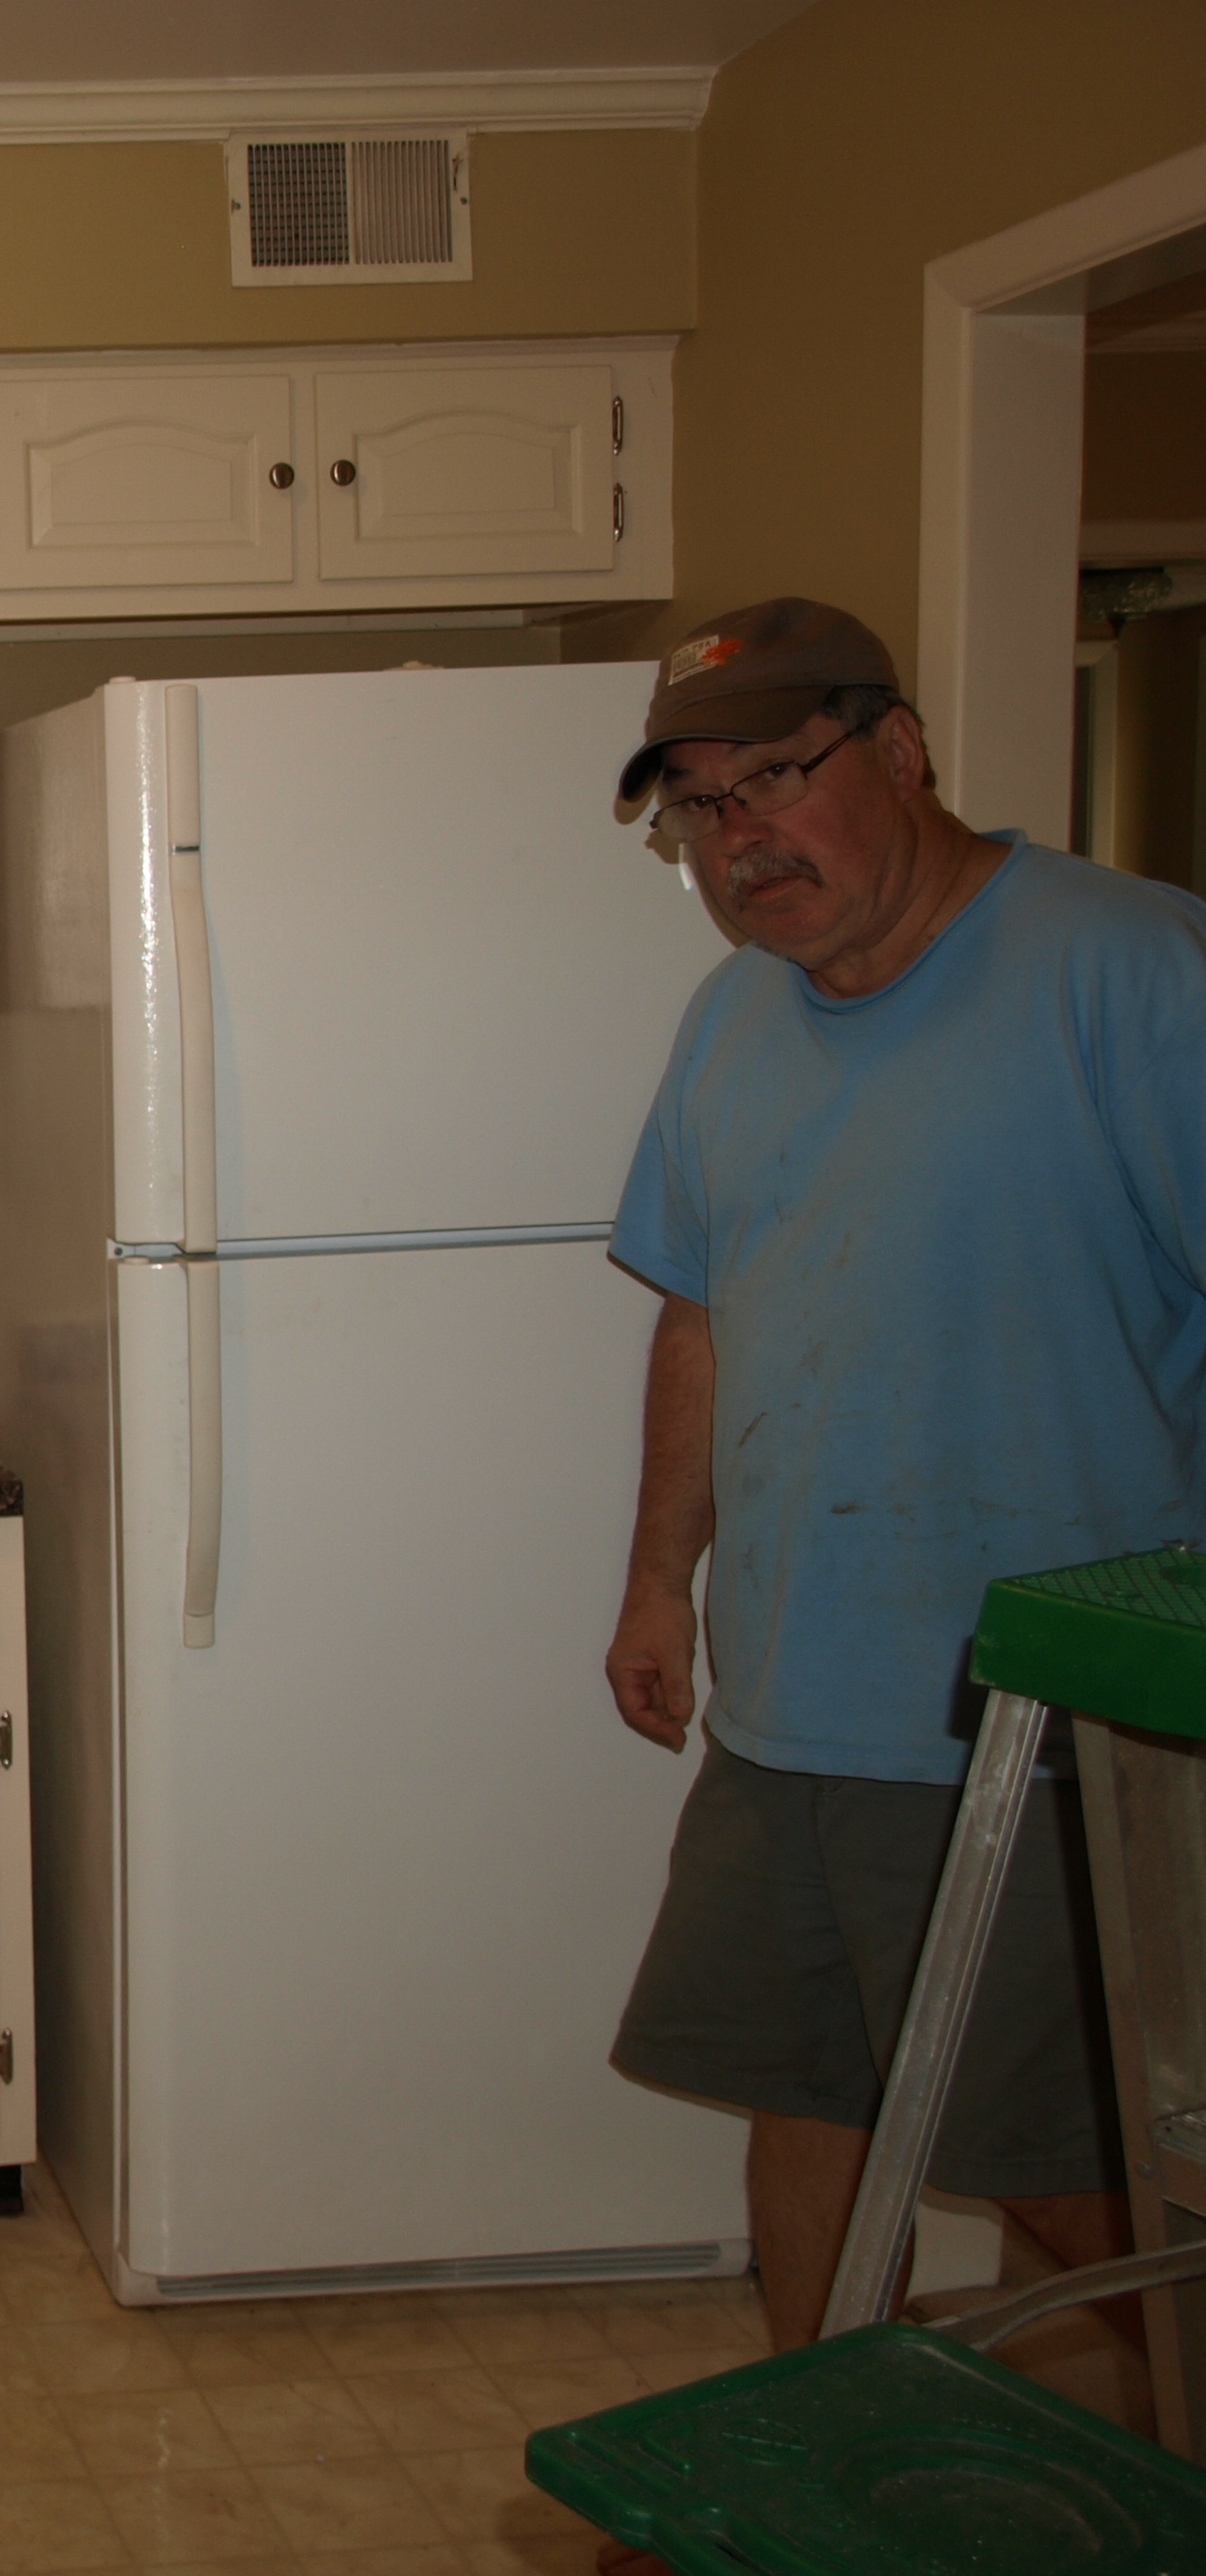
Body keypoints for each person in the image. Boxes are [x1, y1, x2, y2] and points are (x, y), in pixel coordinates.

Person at [596, 598, 1206, 2388]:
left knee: (1070, 2171)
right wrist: (660, 1581)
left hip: (1045, 1714)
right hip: (794, 1693)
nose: (742, 839)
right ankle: (818, 2446)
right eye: (700, 809)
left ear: (904, 750)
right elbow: (705, 1313)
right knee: (807, 2096)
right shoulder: (733, 1017)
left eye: (778, 779)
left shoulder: (1130, 969)